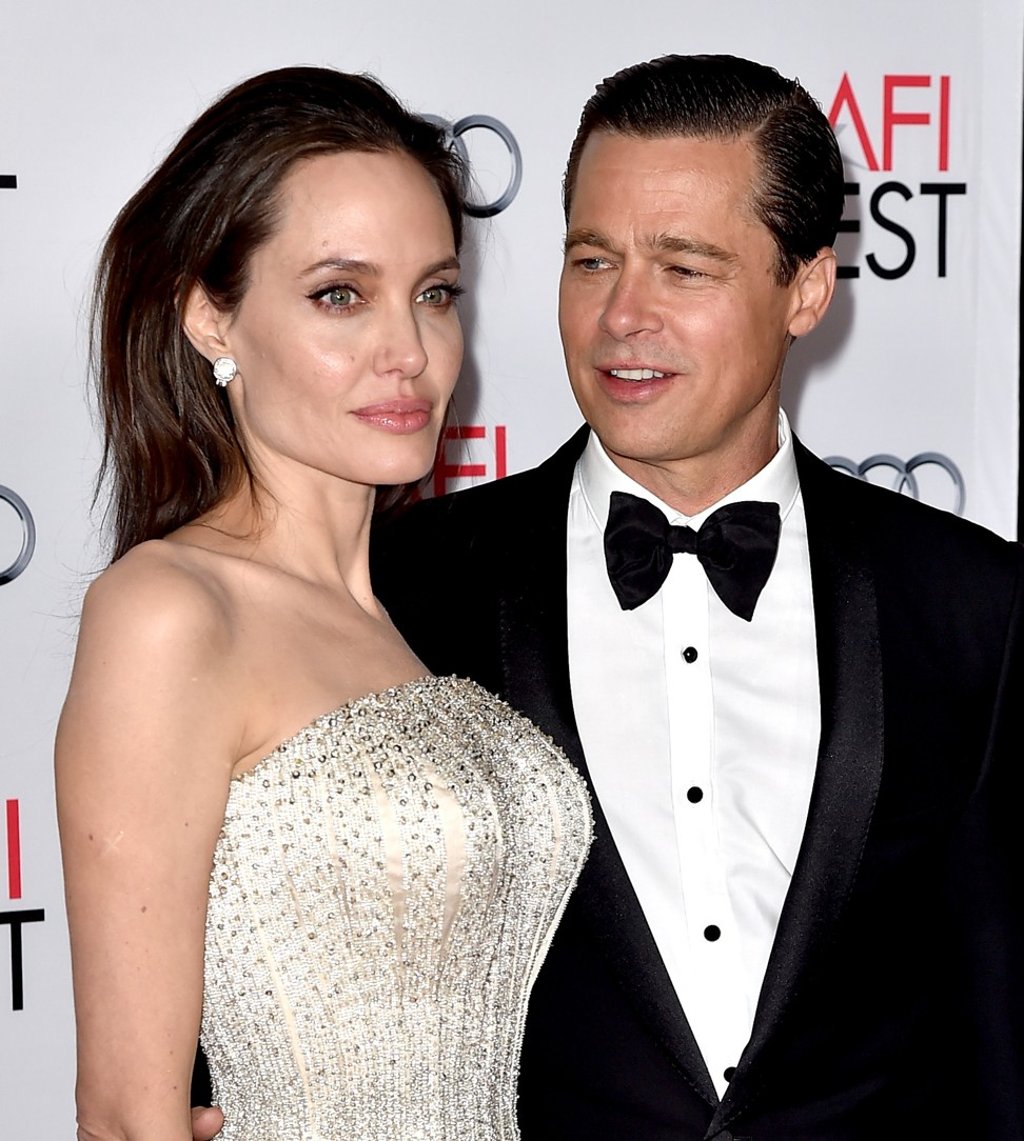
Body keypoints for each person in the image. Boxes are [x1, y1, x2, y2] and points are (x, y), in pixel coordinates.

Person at [366, 55, 1022, 1140]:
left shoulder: (967, 604)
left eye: (684, 268)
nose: (623, 316)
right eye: (592, 260)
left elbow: (1000, 1020)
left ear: (804, 288)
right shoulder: (412, 585)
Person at [56, 66, 591, 1141]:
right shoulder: (169, 612)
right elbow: (125, 1113)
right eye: (339, 294)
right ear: (212, 316)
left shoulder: (417, 611)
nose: (410, 353)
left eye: (434, 294)